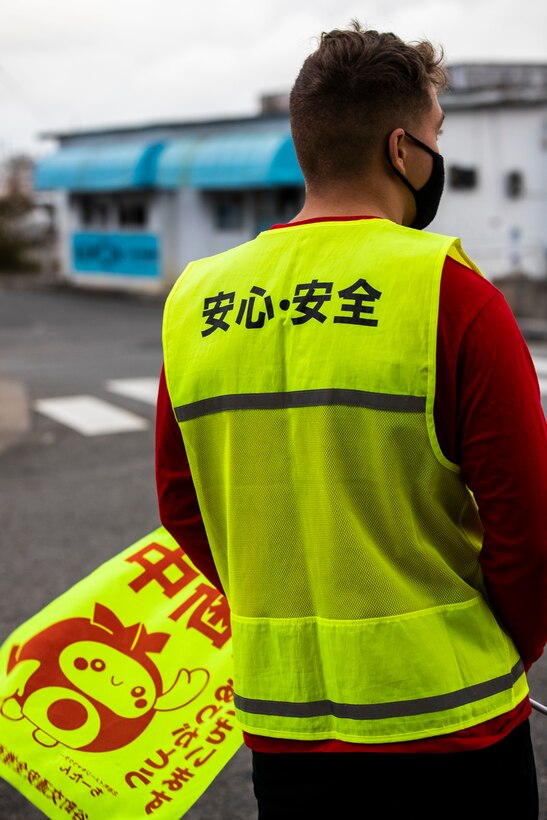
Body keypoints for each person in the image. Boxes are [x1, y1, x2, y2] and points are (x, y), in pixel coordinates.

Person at [156, 24, 547, 819]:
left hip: (286, 725)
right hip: (454, 723)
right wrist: (501, 643)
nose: (438, 158)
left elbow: (182, 506)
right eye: (437, 136)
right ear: (401, 149)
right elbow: (528, 525)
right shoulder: (450, 292)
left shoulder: (195, 300)